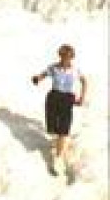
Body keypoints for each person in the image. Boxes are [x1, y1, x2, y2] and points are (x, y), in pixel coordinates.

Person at [31, 45, 87, 174]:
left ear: (72, 57)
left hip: (67, 99)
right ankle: (58, 142)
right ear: (60, 56)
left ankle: (58, 157)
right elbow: (44, 74)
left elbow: (84, 81)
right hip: (53, 97)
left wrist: (82, 97)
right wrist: (37, 78)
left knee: (64, 128)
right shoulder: (54, 67)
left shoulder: (75, 70)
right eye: (62, 56)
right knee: (51, 128)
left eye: (67, 57)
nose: (65, 59)